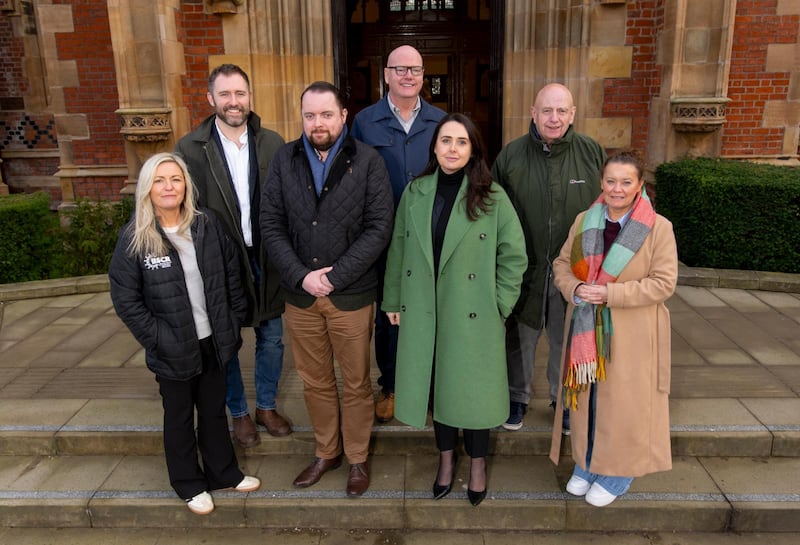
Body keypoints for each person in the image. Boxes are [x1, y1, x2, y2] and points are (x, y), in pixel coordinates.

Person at [382, 113, 527, 506]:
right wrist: (393, 299)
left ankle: (477, 464)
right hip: (427, 310)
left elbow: (514, 256)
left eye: (461, 142)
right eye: (445, 140)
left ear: (473, 150)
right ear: (434, 146)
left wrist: (499, 304)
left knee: (473, 392)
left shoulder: (492, 196)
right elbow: (399, 247)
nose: (452, 149)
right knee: (440, 388)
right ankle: (446, 460)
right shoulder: (416, 192)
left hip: (473, 313)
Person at [260, 81, 394, 497]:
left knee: (355, 383)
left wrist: (334, 278)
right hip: (299, 297)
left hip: (350, 296)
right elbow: (271, 223)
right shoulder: (285, 159)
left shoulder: (368, 161)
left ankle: (356, 458)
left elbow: (378, 228)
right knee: (315, 382)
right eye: (310, 115)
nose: (317, 123)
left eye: (326, 114)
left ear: (343, 116)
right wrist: (301, 276)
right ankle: (326, 452)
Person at [108, 153, 260, 515]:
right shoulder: (136, 238)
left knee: (212, 411)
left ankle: (223, 472)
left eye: (175, 179)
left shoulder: (208, 225)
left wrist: (233, 319)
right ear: (147, 188)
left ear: (186, 186)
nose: (168, 187)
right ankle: (189, 484)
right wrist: (158, 338)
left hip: (214, 340)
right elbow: (125, 299)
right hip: (171, 347)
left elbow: (233, 276)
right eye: (159, 180)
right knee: (178, 417)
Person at [549, 151, 678, 506]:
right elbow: (561, 263)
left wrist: (610, 293)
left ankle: (620, 471)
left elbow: (664, 283)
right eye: (610, 181)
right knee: (588, 400)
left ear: (639, 186)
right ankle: (590, 462)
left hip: (633, 331)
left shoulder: (658, 227)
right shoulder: (583, 220)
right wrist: (573, 289)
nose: (616, 189)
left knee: (623, 405)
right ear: (601, 182)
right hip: (586, 328)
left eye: (626, 182)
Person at [175, 64, 290, 448]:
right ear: (211, 99)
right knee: (226, 340)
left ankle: (267, 406)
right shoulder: (190, 148)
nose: (233, 101)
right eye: (225, 94)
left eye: (240, 93)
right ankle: (239, 412)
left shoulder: (273, 143)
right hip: (219, 261)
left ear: (250, 97)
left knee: (271, 337)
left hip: (268, 256)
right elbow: (182, 206)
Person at [491, 83, 606, 432]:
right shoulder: (510, 157)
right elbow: (492, 212)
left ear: (572, 114)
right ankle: (516, 398)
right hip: (524, 269)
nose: (553, 118)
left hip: (575, 270)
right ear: (533, 112)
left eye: (561, 111)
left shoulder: (592, 154)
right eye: (546, 110)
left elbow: (616, 202)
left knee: (566, 335)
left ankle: (563, 398)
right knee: (520, 337)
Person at [351, 44, 446, 423]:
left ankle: (429, 384)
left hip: (428, 236)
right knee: (387, 314)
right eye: (400, 69)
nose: (409, 76)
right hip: (381, 237)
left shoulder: (441, 121)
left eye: (416, 70)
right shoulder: (364, 122)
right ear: (386, 74)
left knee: (428, 312)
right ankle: (390, 385)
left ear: (424, 76)